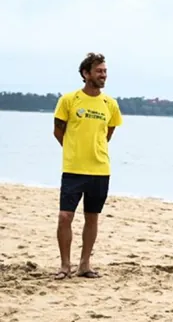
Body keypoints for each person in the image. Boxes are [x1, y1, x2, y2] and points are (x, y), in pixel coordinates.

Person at [52, 52, 123, 280]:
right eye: (99, 71)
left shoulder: (109, 104)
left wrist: (95, 151)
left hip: (100, 170)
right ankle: (65, 265)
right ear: (86, 74)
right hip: (73, 170)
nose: (103, 75)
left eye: (105, 71)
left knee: (92, 217)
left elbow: (108, 133)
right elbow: (58, 131)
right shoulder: (69, 100)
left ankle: (84, 264)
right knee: (65, 217)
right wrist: (74, 150)